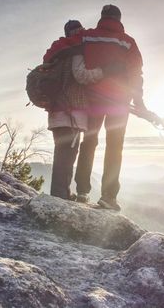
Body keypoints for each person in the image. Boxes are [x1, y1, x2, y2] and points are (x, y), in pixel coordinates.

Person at [74, 4, 146, 210]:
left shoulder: (87, 37)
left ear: (102, 17)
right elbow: (136, 75)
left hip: (92, 100)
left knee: (88, 143)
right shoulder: (127, 42)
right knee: (114, 147)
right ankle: (108, 196)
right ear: (119, 19)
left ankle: (81, 192)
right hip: (119, 103)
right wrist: (139, 103)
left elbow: (67, 50)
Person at [44, 20, 103, 201]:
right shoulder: (76, 51)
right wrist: (102, 72)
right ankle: (61, 195)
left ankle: (60, 193)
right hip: (72, 114)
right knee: (67, 155)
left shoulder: (56, 53)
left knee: (61, 153)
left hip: (56, 112)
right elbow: (81, 75)